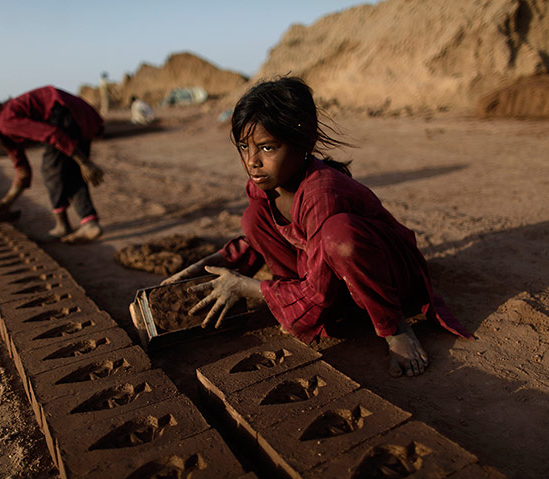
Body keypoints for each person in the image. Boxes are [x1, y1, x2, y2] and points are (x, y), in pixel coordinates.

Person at [163, 77, 471, 377]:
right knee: (253, 217)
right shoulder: (266, 184)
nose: (252, 161)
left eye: (268, 148)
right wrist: (202, 268)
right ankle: (296, 299)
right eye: (244, 147)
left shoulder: (323, 193)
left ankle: (395, 328)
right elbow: (252, 242)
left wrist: (246, 286)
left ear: (304, 143)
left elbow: (323, 284)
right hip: (325, 272)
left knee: (339, 236)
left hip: (386, 277)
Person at [0, 85, 105, 243]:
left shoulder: (7, 122)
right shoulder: (6, 133)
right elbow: (23, 172)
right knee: (72, 172)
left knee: (52, 171)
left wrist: (85, 163)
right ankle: (89, 223)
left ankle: (62, 226)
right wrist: (6, 203)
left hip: (65, 112)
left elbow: (52, 134)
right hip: (75, 113)